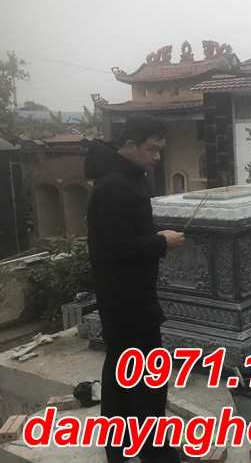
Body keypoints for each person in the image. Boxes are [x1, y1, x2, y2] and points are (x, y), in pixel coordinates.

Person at [85, 115, 184, 463]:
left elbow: (125, 236)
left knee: (121, 373)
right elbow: (116, 248)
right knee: (147, 378)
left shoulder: (127, 178)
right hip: (127, 300)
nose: (157, 157)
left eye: (160, 151)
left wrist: (154, 238)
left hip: (125, 295)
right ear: (129, 145)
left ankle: (120, 447)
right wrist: (162, 242)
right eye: (151, 149)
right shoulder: (114, 187)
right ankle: (155, 451)